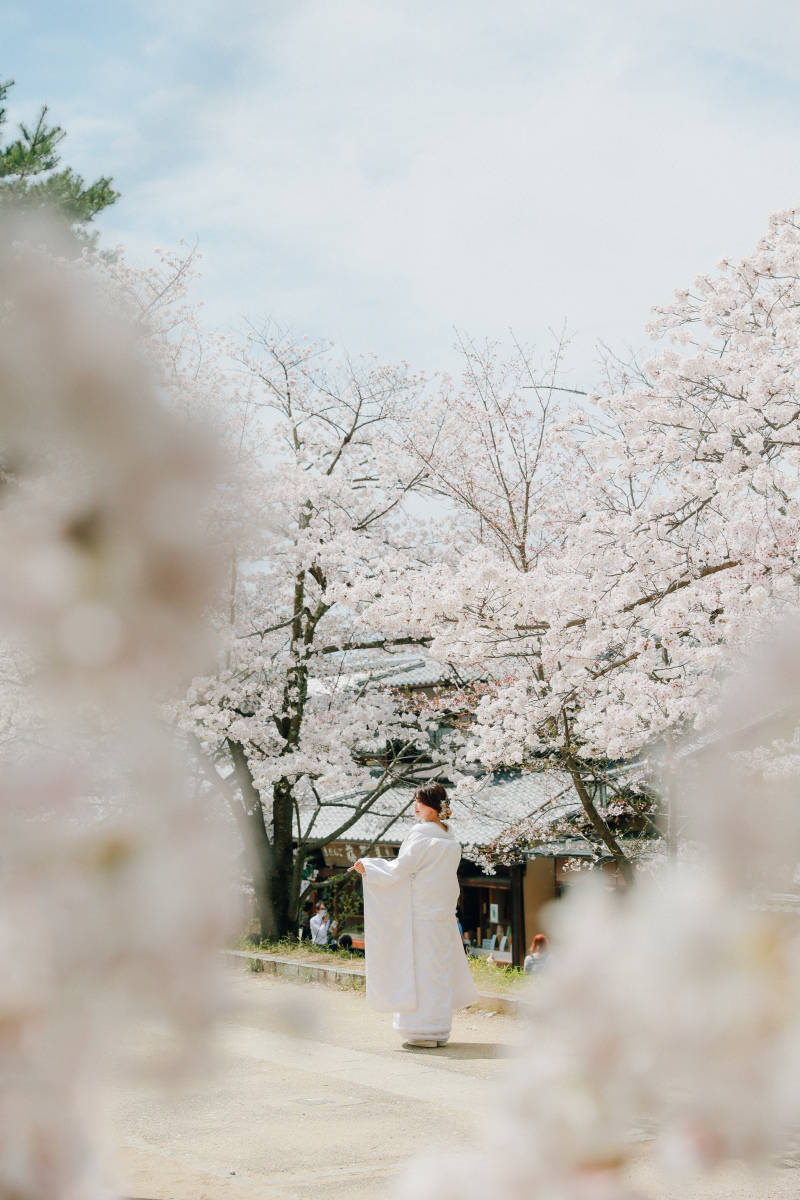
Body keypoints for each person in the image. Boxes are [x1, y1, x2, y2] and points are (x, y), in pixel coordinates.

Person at [348, 782, 479, 1048]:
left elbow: (401, 869)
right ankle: (438, 1029)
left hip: (420, 914)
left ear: (433, 804)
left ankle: (421, 1030)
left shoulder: (419, 835)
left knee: (419, 970)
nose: (415, 806)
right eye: (415, 801)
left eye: (420, 801)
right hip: (442, 915)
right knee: (437, 971)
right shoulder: (450, 837)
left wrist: (369, 867)